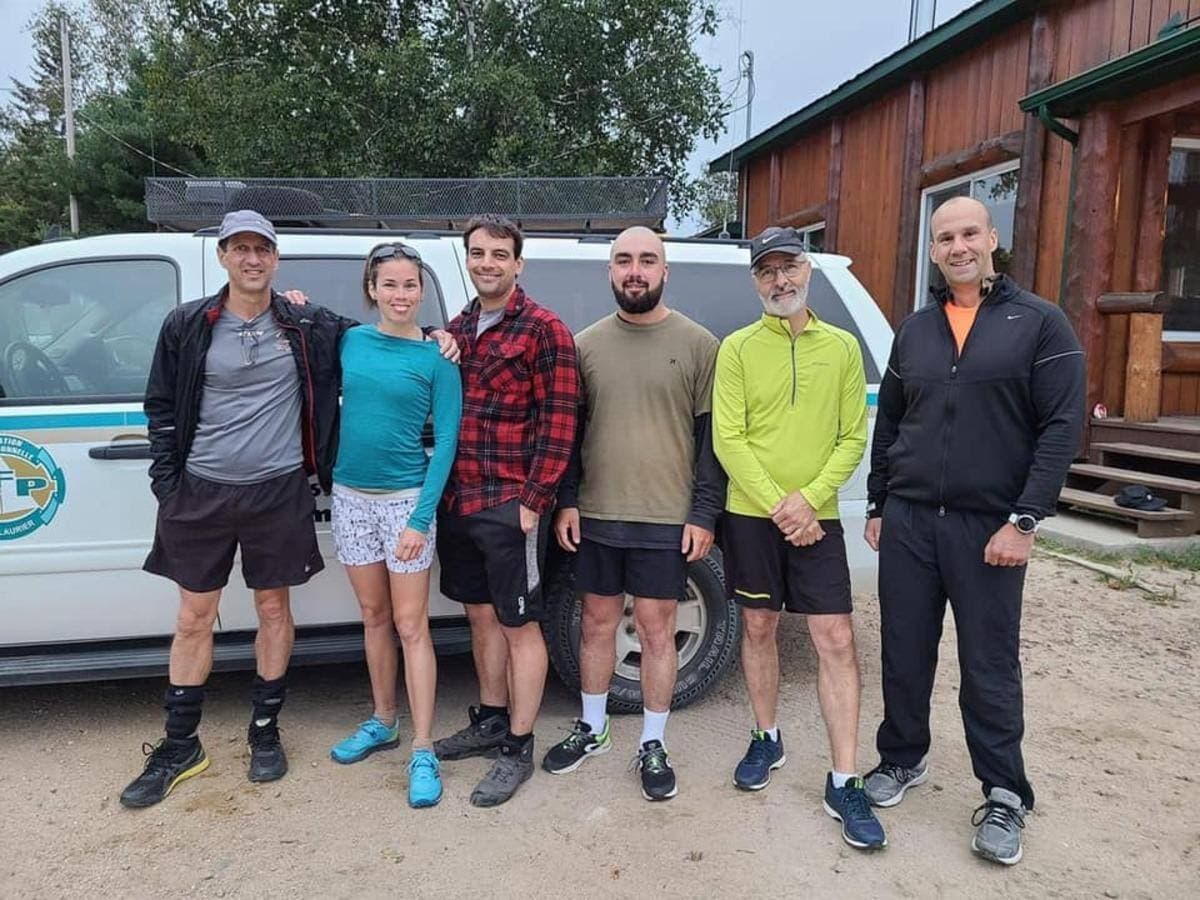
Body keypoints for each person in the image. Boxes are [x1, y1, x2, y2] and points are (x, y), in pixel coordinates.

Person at [120, 212, 457, 810]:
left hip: (289, 492)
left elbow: (400, 346)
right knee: (198, 618)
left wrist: (440, 333)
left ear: (276, 258)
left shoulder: (309, 325)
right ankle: (180, 746)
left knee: (289, 612)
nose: (252, 259)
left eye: (263, 249)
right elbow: (161, 406)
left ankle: (273, 733)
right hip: (214, 492)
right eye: (241, 248)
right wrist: (168, 487)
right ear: (224, 255)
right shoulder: (193, 324)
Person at [862, 196, 1085, 866]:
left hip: (990, 528)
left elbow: (1061, 428)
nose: (957, 247)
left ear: (991, 239)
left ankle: (1005, 792)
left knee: (988, 663)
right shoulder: (916, 330)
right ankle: (902, 758)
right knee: (904, 650)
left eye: (968, 234)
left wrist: (1025, 519)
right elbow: (891, 422)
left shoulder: (1039, 323)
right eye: (944, 238)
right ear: (934, 251)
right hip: (908, 521)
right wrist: (878, 504)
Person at [713, 226, 886, 851]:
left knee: (834, 637)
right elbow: (728, 438)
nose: (779, 280)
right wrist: (781, 506)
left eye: (788, 267)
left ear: (807, 271)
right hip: (752, 514)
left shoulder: (842, 348)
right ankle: (767, 738)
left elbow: (852, 437)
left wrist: (808, 501)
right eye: (767, 271)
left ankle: (844, 780)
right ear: (754, 280)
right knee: (758, 627)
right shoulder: (736, 349)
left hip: (818, 517)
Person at [541, 226, 724, 801]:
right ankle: (592, 728)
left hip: (666, 518)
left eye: (647, 260)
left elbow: (711, 440)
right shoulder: (585, 345)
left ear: (665, 271)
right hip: (597, 514)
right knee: (596, 623)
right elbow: (568, 434)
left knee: (656, 629)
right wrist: (566, 500)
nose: (635, 271)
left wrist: (704, 513)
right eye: (624, 260)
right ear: (610, 271)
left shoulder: (700, 345)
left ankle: (652, 742)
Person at [433, 215, 580, 807]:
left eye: (499, 254)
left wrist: (534, 501)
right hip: (460, 500)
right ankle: (491, 720)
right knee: (481, 617)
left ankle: (518, 745)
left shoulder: (545, 329)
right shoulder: (458, 328)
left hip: (510, 504)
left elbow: (561, 422)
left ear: (518, 263)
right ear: (468, 259)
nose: (487, 263)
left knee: (520, 625)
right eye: (478, 253)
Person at [326, 243, 462, 809]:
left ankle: (423, 747)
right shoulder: (351, 341)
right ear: (371, 289)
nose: (400, 295)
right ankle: (383, 720)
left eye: (410, 285)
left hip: (405, 502)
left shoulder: (439, 358)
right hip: (349, 498)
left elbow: (447, 442)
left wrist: (420, 519)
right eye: (389, 284)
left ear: (422, 292)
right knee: (374, 616)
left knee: (411, 625)